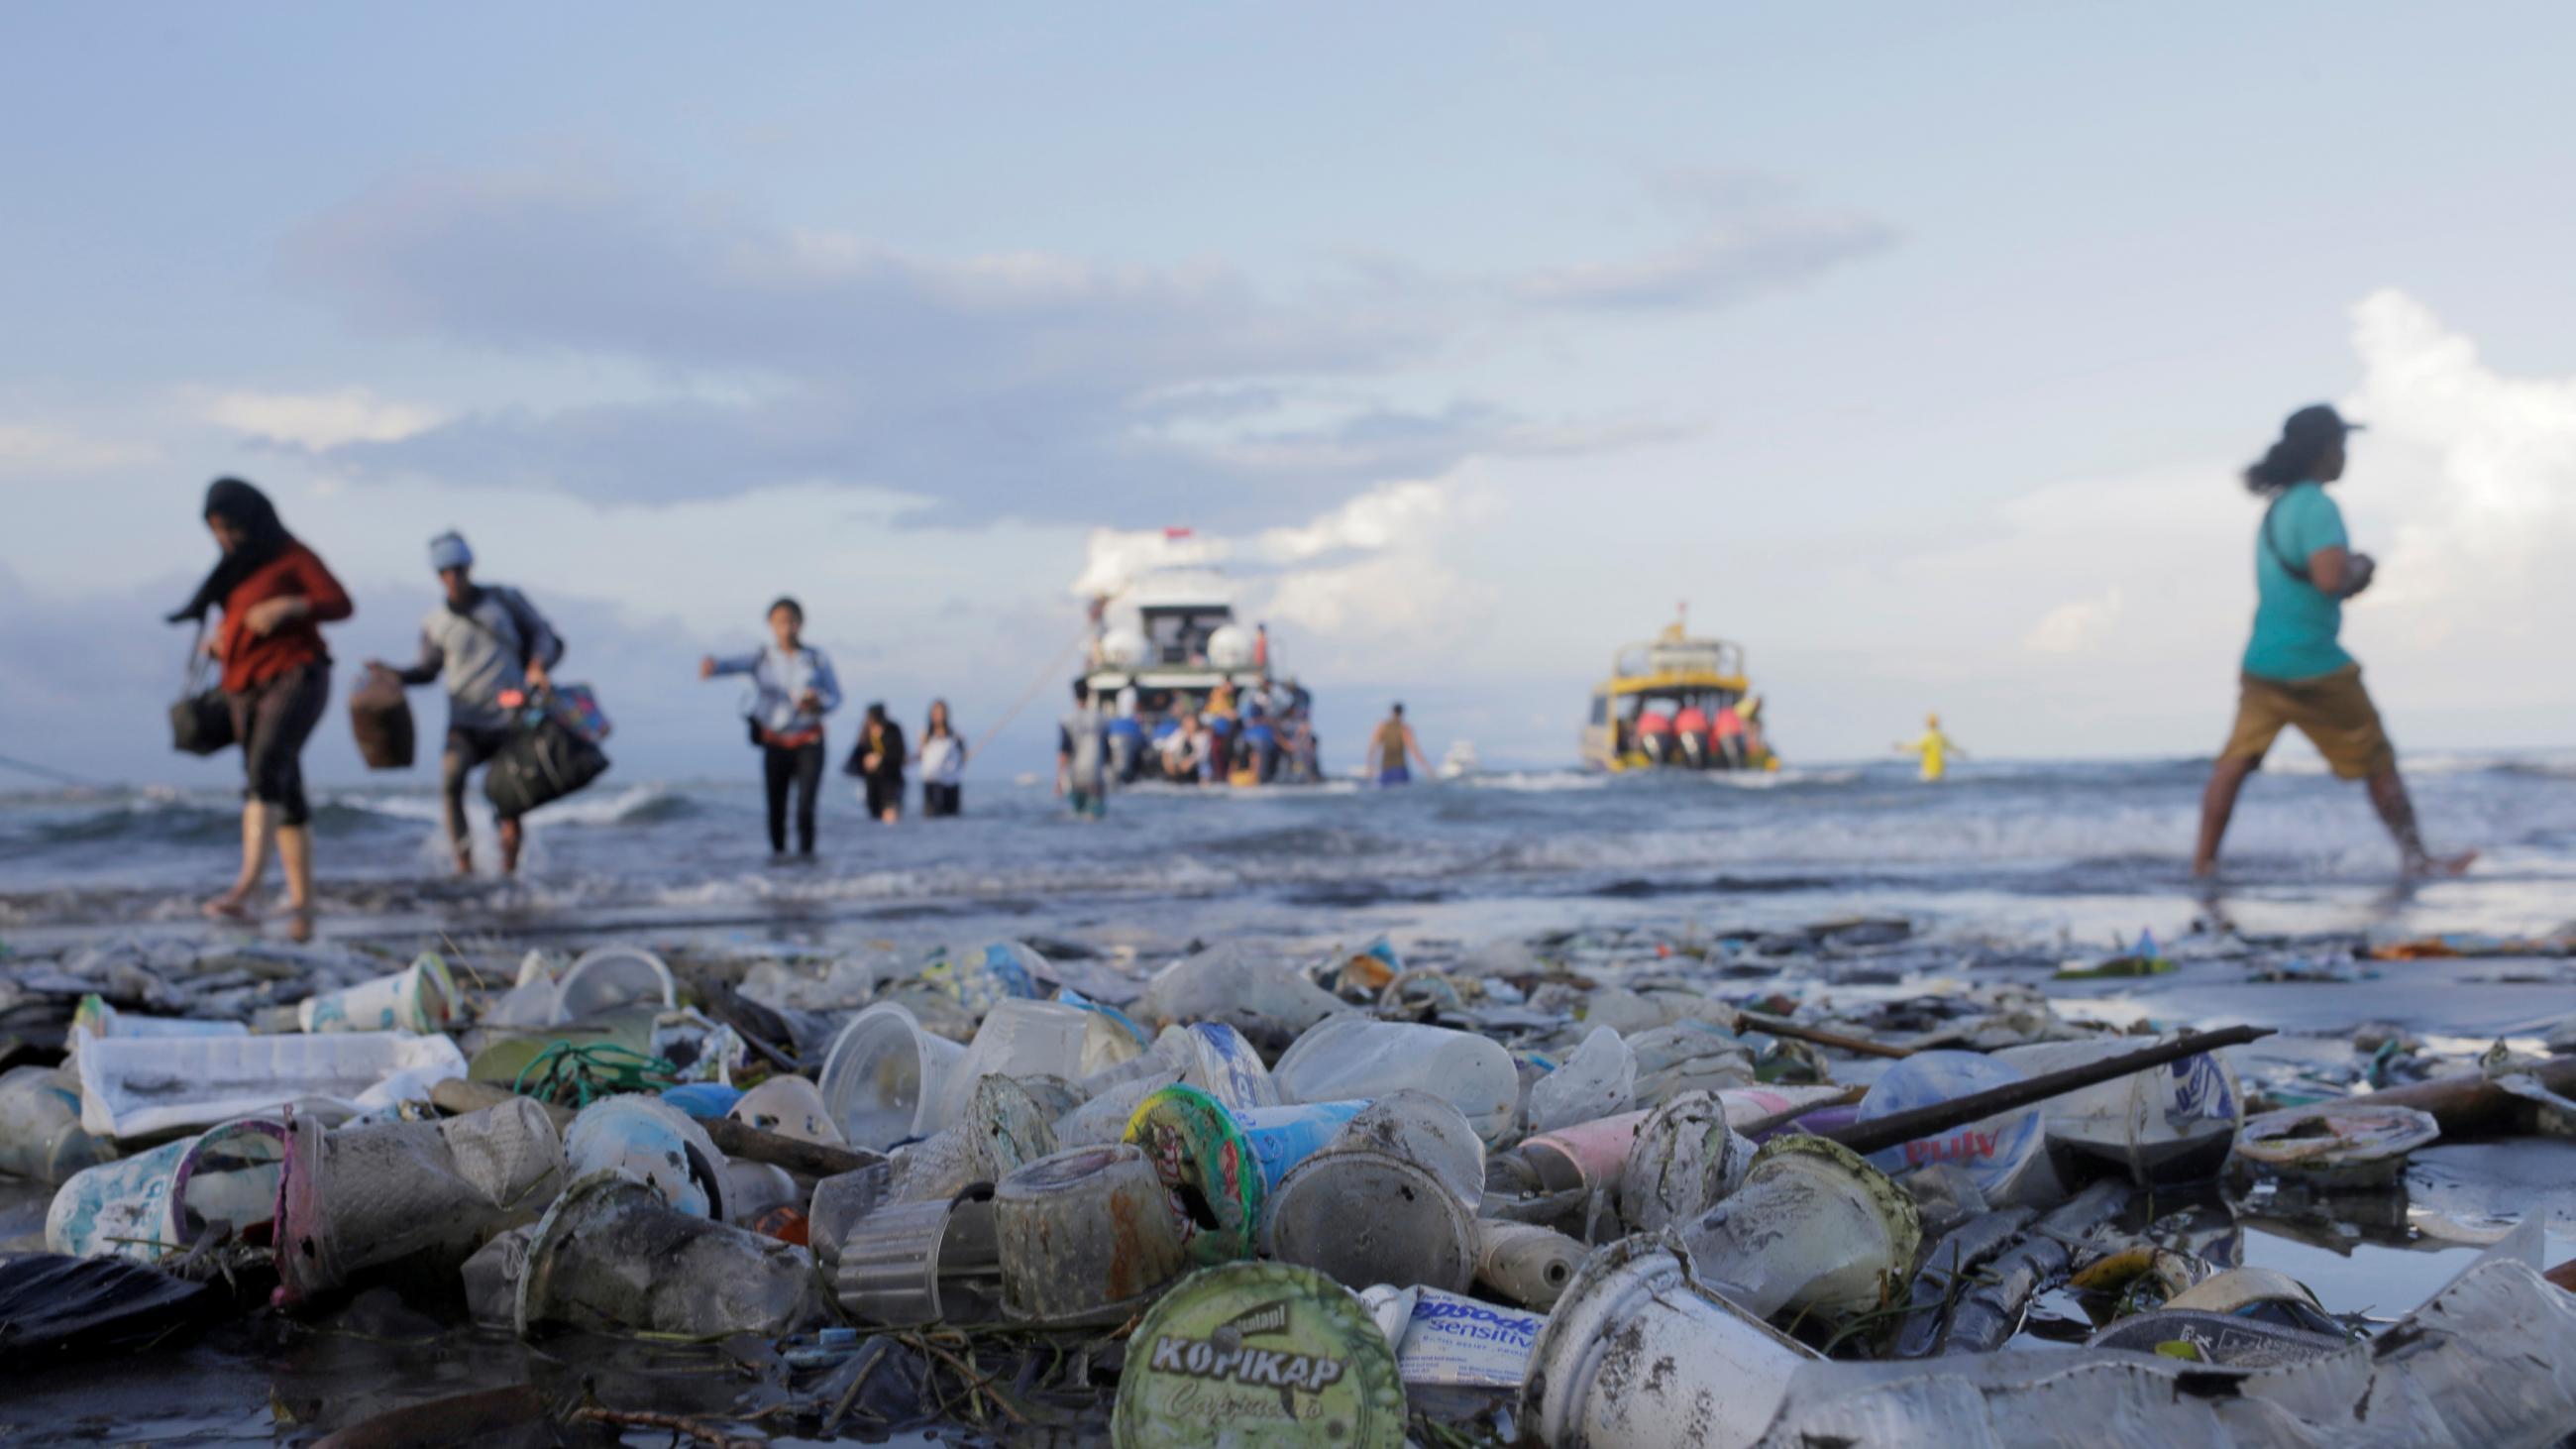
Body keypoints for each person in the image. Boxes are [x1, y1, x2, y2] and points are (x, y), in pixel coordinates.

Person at [2194, 403, 2474, 878]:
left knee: (2236, 762)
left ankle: (2203, 865)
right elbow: (2329, 580)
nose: (2346, 455)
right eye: (2341, 445)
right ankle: (2417, 860)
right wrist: (2360, 570)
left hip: (2262, 660)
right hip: (2314, 662)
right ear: (2323, 451)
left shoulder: (2277, 508)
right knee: (2377, 757)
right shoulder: (2320, 507)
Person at [166, 478, 353, 942]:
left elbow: (340, 602)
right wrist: (222, 641)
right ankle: (301, 899)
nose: (223, 539)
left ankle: (246, 888)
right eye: (215, 531)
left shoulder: (293, 555)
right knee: (283, 785)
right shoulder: (232, 569)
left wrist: (291, 605)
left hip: (296, 674)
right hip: (243, 686)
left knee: (265, 765)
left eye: (229, 527)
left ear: (251, 519)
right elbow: (234, 619)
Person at [369, 531, 563, 877]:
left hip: (511, 719)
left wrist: (537, 665)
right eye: (446, 571)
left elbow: (543, 635)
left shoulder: (505, 600)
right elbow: (428, 670)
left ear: (469, 567)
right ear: (438, 575)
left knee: (511, 798)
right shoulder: (435, 622)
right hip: (465, 723)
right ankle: (465, 869)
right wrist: (394, 675)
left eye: (459, 569)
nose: (454, 577)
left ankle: (508, 874)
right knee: (451, 781)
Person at [701, 598, 841, 857]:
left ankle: (807, 868)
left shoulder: (816, 659)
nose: (787, 627)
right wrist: (712, 666)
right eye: (780, 622)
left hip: (809, 740)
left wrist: (818, 702)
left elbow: (836, 697)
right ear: (771, 625)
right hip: (775, 741)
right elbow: (728, 666)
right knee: (776, 809)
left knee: (805, 809)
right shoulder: (761, 658)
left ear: (800, 624)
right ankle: (778, 870)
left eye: (792, 621)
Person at [1058, 680, 1110, 818]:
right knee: (1095, 814)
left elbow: (1064, 751)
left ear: (1074, 695)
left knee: (1078, 813)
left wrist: (1059, 778)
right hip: (1096, 774)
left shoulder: (1067, 720)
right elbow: (1107, 751)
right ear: (1089, 695)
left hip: (1076, 774)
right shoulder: (1101, 719)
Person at [850, 703, 907, 825]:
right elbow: (856, 756)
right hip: (872, 782)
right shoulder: (866, 732)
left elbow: (900, 753)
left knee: (890, 815)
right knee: (874, 816)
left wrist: (880, 758)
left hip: (891, 780)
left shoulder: (893, 730)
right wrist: (865, 761)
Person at [918, 699, 965, 818]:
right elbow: (921, 755)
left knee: (952, 815)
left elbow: (962, 757)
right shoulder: (926, 735)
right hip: (931, 782)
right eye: (936, 713)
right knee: (931, 815)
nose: (938, 716)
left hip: (951, 782)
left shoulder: (955, 736)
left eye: (941, 713)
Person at [1370, 703, 1431, 786]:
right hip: (1399, 769)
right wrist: (1427, 769)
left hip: (1386, 768)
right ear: (1402, 713)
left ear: (1392, 712)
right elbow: (1414, 750)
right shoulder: (1404, 728)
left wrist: (1370, 765)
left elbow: (1373, 747)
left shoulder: (1383, 727)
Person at [1895, 713, 1962, 782]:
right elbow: (1952, 747)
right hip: (1940, 771)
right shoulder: (1942, 737)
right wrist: (1960, 752)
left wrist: (1901, 747)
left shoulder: (1928, 738)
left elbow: (1914, 747)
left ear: (1928, 724)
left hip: (1929, 772)